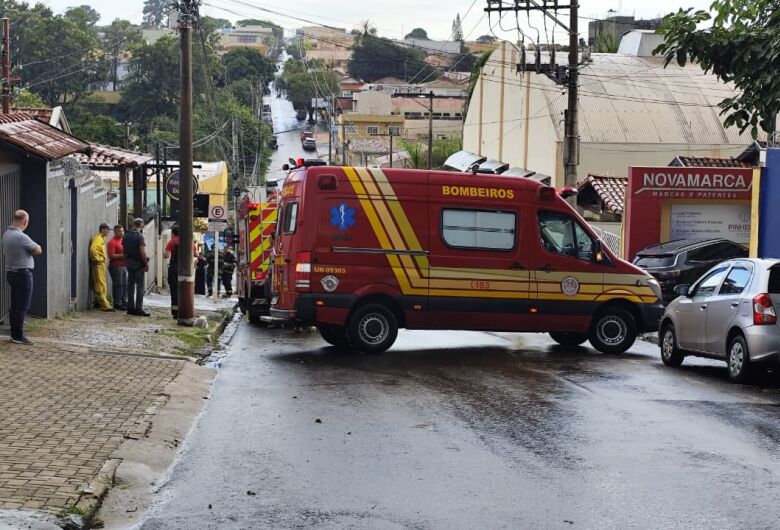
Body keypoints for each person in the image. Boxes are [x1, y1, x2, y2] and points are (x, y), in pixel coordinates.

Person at [2, 210, 42, 345]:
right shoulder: (21, 236)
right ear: (25, 222)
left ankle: (14, 334)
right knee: (22, 306)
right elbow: (38, 250)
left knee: (15, 305)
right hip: (23, 274)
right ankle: (18, 336)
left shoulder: (6, 234)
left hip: (11, 273)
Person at [123, 218, 150, 317]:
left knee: (130, 285)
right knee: (140, 286)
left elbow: (124, 251)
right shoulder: (140, 236)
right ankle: (138, 308)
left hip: (129, 262)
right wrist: (146, 264)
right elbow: (142, 252)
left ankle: (130, 307)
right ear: (141, 225)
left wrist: (126, 261)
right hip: (138, 263)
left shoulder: (125, 236)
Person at [89, 223, 114, 311]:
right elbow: (92, 250)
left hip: (101, 265)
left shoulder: (101, 238)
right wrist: (98, 259)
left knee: (102, 283)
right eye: (107, 229)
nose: (108, 231)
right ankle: (104, 304)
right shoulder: (98, 239)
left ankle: (102, 303)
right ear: (102, 229)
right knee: (100, 284)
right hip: (98, 265)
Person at [107, 225, 127, 310]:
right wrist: (123, 255)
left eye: (122, 231)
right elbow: (111, 255)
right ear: (115, 232)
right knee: (118, 285)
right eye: (119, 231)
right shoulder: (112, 242)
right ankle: (117, 303)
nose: (121, 233)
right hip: (116, 266)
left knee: (124, 285)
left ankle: (123, 301)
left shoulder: (123, 240)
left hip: (124, 266)